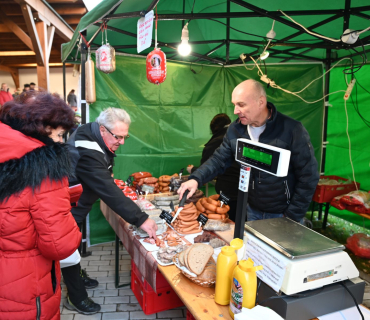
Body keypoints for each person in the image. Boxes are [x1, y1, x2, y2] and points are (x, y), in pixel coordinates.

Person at [179, 79, 319, 223]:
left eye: (241, 104)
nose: (235, 111)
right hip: (252, 210)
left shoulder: (291, 130)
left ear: (261, 102)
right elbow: (219, 159)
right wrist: (196, 178)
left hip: (282, 214)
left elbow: (309, 175)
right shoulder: (235, 130)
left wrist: (292, 215)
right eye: (234, 105)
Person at [62, 107, 158, 315]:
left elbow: (105, 168)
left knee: (76, 241)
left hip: (78, 200)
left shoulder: (93, 132)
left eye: (125, 136)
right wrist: (141, 219)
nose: (122, 142)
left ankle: (77, 275)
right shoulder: (87, 150)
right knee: (68, 248)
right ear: (103, 129)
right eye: (118, 137)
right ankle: (75, 296)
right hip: (68, 206)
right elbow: (107, 190)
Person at [0, 91, 82, 320]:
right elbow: (60, 245)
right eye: (59, 134)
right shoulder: (45, 167)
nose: (60, 141)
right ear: (43, 127)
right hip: (26, 284)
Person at [187, 113, 240, 221]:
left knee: (231, 218)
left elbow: (211, 164)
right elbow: (217, 161)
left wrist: (194, 172)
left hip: (230, 188)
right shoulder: (236, 136)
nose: (236, 110)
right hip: (243, 191)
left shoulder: (217, 141)